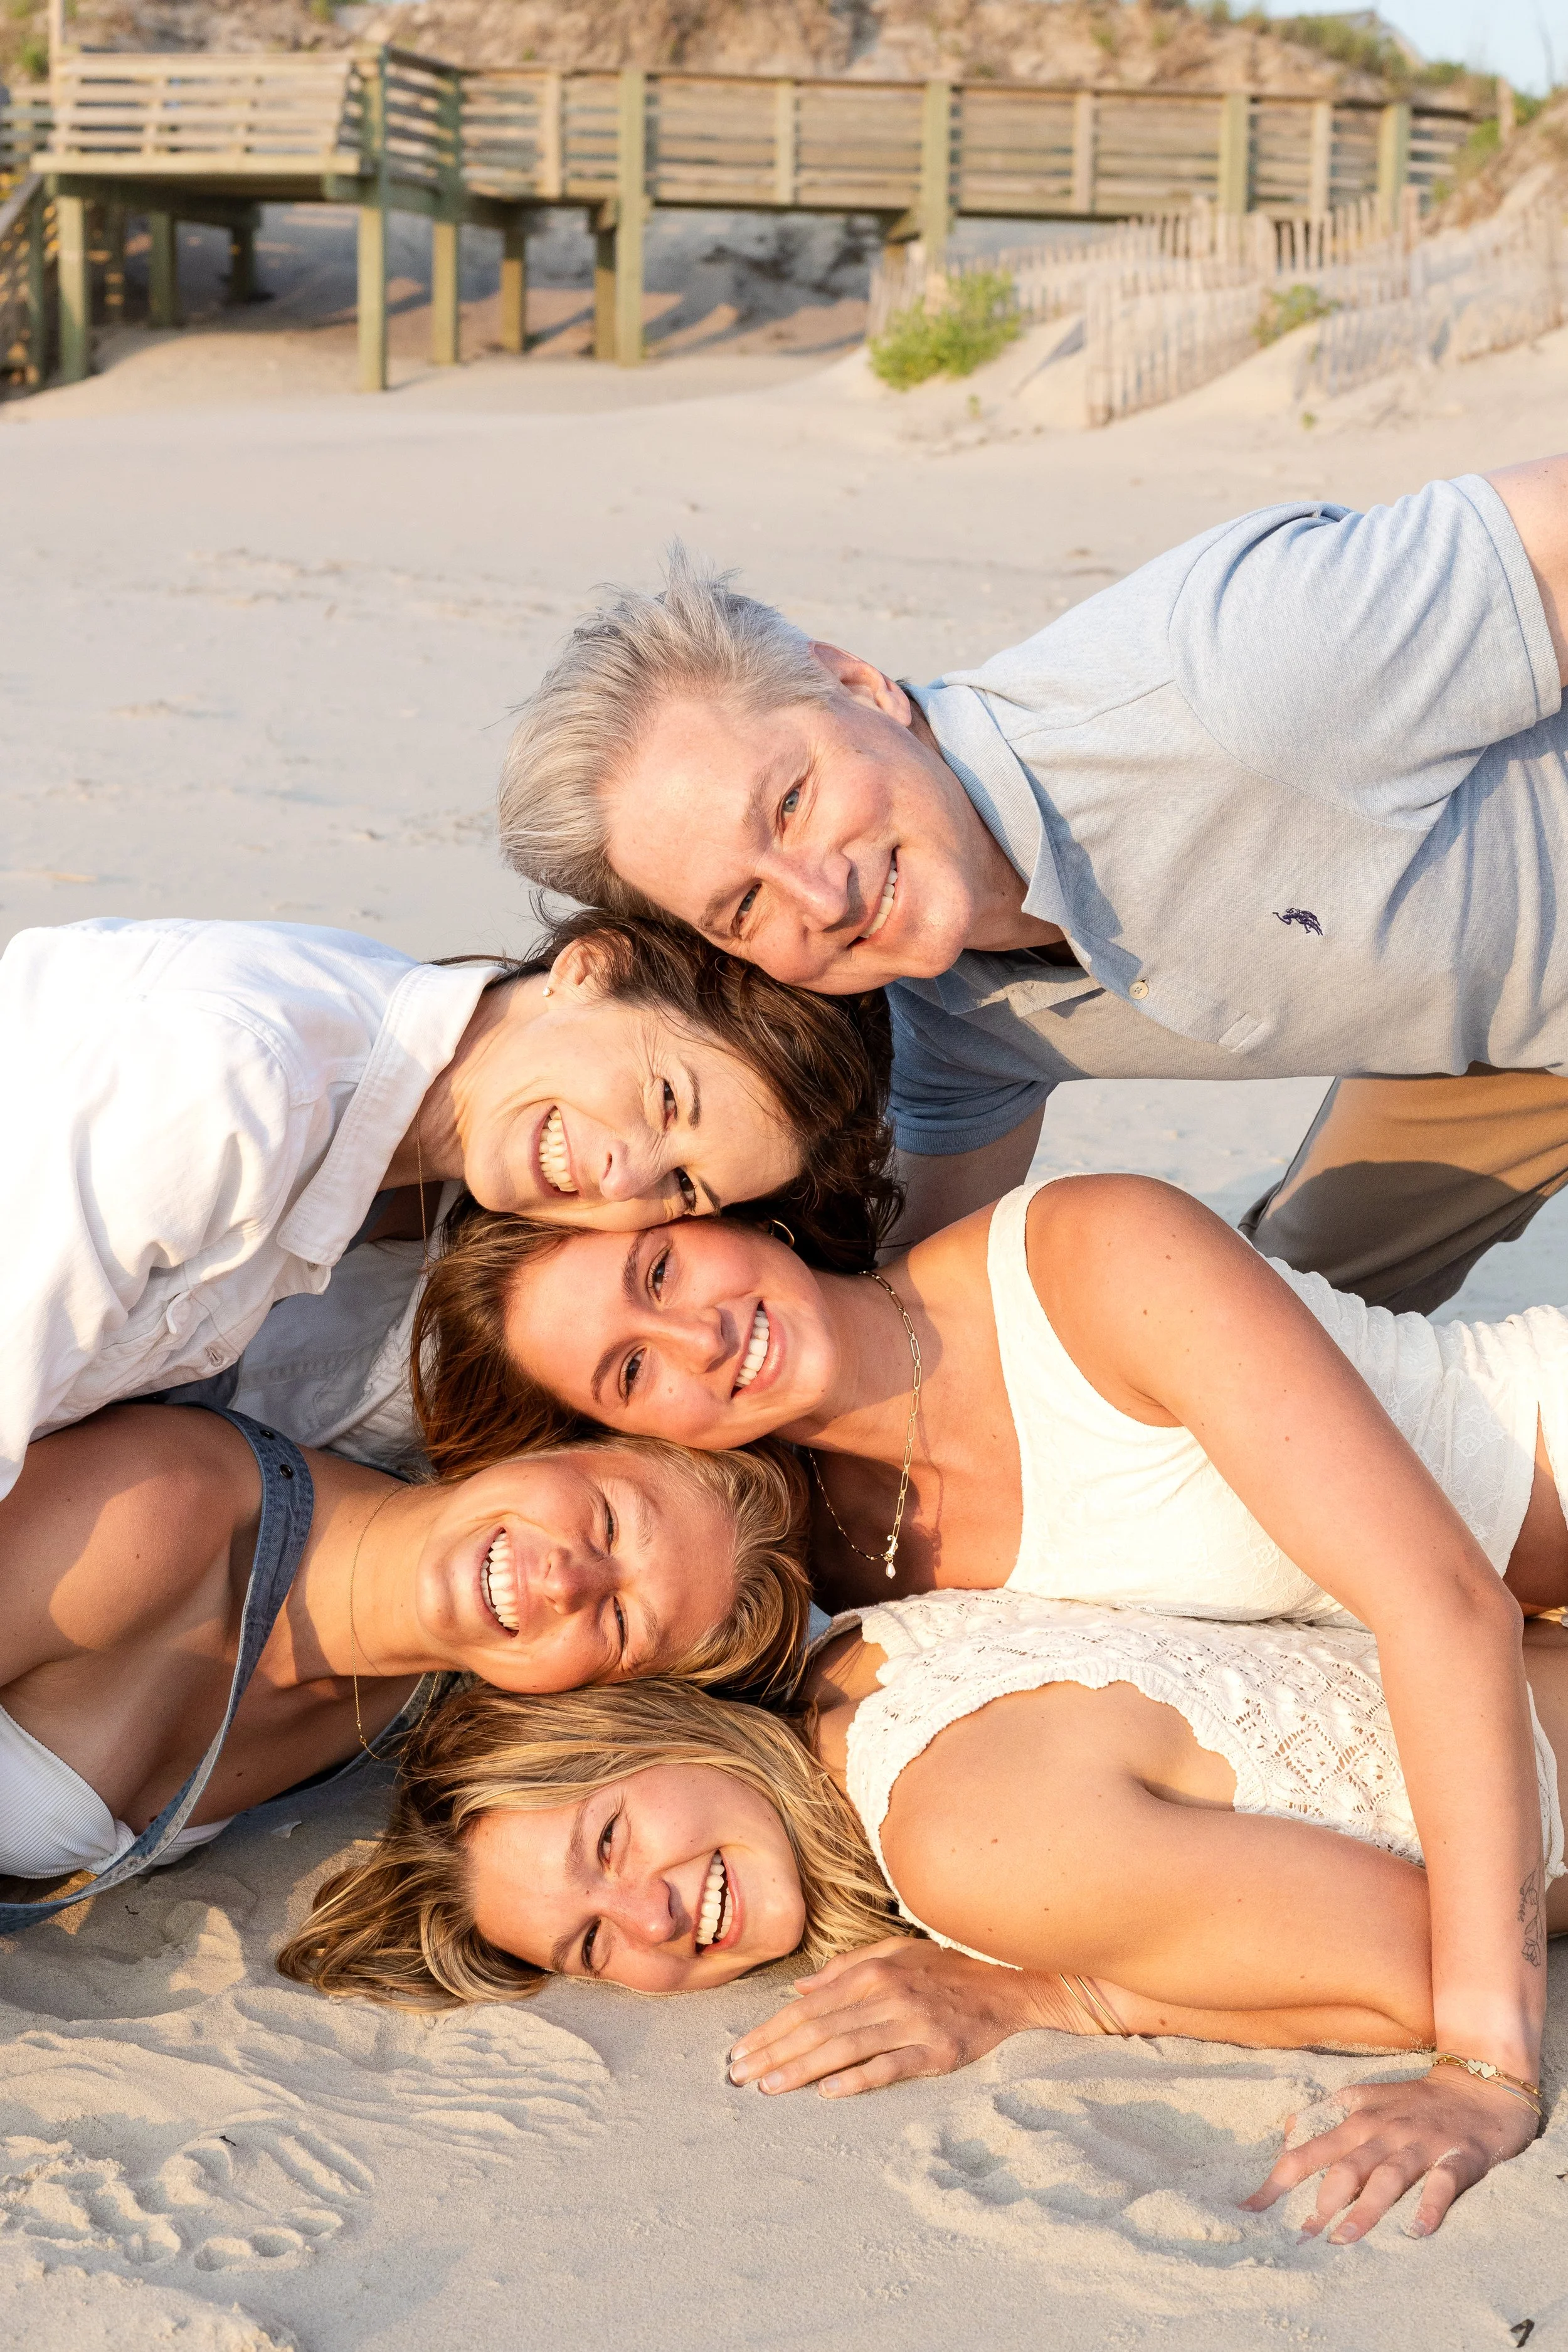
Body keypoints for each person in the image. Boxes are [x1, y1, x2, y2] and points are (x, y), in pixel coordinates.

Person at [414, 1167, 1568, 2160]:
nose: (698, 1339)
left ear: (726, 1212)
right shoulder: (841, 1558)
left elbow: (1445, 1606)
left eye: (661, 1273)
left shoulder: (1088, 1260)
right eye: (628, 1373)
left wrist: (1486, 2069)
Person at [494, 463, 1568, 1298]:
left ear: (858, 686)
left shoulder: (1229, 669)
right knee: (1283, 1322)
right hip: (1483, 1028)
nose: (821, 897)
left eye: (791, 803)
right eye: (745, 904)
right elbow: (921, 1285)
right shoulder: (950, 1022)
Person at [278, 1592, 1568, 2246]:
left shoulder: (960, 1846)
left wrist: (1047, 1993)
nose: (654, 1914)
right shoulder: (866, 1650)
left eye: (608, 1838)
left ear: (654, 1727)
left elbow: (1438, 1962)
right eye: (590, 1944)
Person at [0, 906, 893, 1498]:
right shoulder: (240, 1086)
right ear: (591, 966)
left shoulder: (425, 1184)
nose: (626, 1177)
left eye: (684, 1186)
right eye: (665, 1098)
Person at [0, 1398, 807, 1932]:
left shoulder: (423, 1720)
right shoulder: (156, 1509)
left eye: (624, 1621)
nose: (567, 1581)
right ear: (568, 1444)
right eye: (605, 1519)